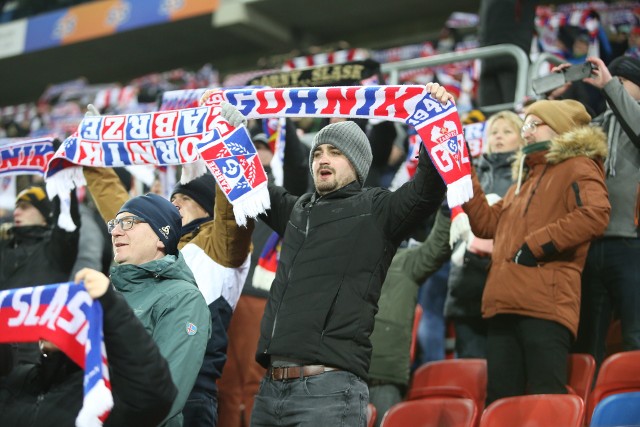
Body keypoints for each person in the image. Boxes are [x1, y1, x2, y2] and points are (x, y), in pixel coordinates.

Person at [221, 82, 450, 427]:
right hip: (270, 390)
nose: (322, 158)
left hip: (329, 391)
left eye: (335, 152)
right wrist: (229, 131)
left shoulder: (379, 209)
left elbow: (426, 191)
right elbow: (251, 186)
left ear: (357, 163)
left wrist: (432, 122)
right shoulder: (297, 209)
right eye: (318, 152)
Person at [462, 98, 610, 405]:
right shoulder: (523, 180)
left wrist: (535, 246)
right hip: (503, 304)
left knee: (545, 402)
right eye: (525, 125)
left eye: (533, 124)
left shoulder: (578, 165)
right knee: (501, 405)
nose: (525, 132)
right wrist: (465, 176)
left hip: (546, 305)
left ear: (557, 128)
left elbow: (596, 214)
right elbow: (487, 225)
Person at [84, 164, 253, 427]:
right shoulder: (131, 264)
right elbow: (123, 210)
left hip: (190, 396)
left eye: (185, 198)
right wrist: (91, 159)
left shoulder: (220, 246)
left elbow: (232, 213)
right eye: (172, 199)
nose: (175, 203)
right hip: (123, 408)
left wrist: (227, 151)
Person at [0, 267, 178, 426]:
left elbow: (155, 395)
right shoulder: (16, 381)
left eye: (64, 308)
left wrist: (111, 306)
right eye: (44, 309)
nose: (49, 318)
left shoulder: (104, 396)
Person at [217, 120, 309, 427]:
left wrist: (285, 118)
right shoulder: (236, 186)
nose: (258, 153)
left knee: (255, 380)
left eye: (264, 148)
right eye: (253, 147)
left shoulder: (284, 192)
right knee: (227, 379)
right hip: (229, 292)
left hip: (262, 295)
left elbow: (297, 166)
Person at [101, 192, 211, 425]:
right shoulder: (107, 294)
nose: (115, 231)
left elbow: (165, 396)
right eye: (115, 224)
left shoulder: (183, 300)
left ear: (162, 237)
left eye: (128, 223)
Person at [570, 55, 640, 367]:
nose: (614, 85)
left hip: (632, 243)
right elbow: (556, 137)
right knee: (588, 343)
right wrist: (555, 98)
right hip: (592, 243)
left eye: (623, 81)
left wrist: (610, 85)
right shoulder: (595, 124)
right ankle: (593, 411)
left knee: (636, 334)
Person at [445, 110, 524, 358]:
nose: (498, 137)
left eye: (507, 132)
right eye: (494, 132)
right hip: (467, 282)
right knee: (468, 369)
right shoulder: (469, 171)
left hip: (507, 282)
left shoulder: (526, 174)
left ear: (522, 138)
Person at [367, 206, 451, 427]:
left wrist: (445, 209)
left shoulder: (405, 261)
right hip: (339, 373)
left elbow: (437, 247)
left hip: (383, 376)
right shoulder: (348, 261)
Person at [0, 184, 80, 368]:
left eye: (25, 207)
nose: (16, 212)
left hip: (38, 358)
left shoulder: (57, 250)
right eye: (17, 207)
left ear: (46, 215)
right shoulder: (4, 248)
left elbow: (69, 219)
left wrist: (63, 176)